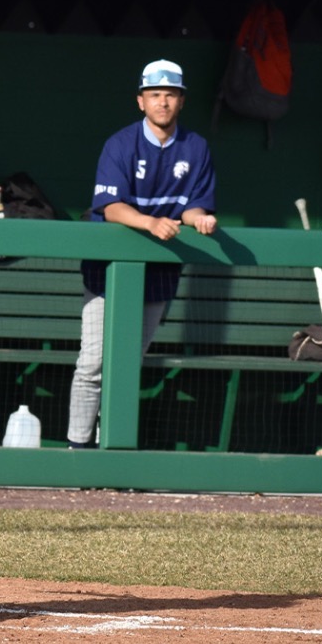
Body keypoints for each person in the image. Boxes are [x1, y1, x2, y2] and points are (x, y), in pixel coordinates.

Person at [68, 59, 218, 449]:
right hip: (107, 267)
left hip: (159, 270)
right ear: (141, 101)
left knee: (127, 365)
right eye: (155, 95)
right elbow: (110, 207)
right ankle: (78, 449)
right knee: (93, 363)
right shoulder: (120, 143)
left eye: (170, 94)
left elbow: (193, 205)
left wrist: (199, 219)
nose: (162, 102)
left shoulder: (196, 147)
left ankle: (112, 448)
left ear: (181, 100)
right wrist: (151, 222)